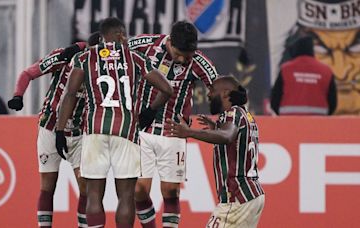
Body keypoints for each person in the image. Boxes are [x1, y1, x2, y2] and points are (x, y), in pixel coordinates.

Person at [55, 17, 173, 228]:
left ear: (102, 36)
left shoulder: (85, 57)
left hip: (94, 130)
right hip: (126, 130)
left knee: (93, 195)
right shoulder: (135, 57)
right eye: (124, 35)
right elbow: (167, 89)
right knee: (126, 196)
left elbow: (70, 94)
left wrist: (60, 130)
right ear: (120, 35)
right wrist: (150, 111)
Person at [128, 21, 217, 227]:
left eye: (188, 54)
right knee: (139, 189)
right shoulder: (144, 45)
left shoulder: (197, 61)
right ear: (170, 41)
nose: (183, 58)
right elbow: (117, 54)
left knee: (171, 190)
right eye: (179, 53)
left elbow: (218, 85)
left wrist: (220, 107)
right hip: (142, 126)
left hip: (173, 130)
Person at [7, 32, 100, 228]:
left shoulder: (109, 69)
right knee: (48, 185)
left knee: (85, 185)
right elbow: (28, 73)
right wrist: (18, 95)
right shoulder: (65, 56)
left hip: (80, 132)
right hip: (50, 127)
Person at [165, 75, 265, 228]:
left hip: (237, 197)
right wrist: (217, 128)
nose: (208, 95)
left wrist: (189, 132)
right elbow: (232, 136)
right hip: (252, 195)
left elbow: (227, 136)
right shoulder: (246, 115)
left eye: (211, 90)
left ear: (225, 93)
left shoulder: (232, 113)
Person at [271, 36, 337, 115]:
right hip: (318, 123)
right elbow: (332, 102)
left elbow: (275, 99)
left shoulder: (286, 69)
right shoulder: (326, 71)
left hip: (289, 122)